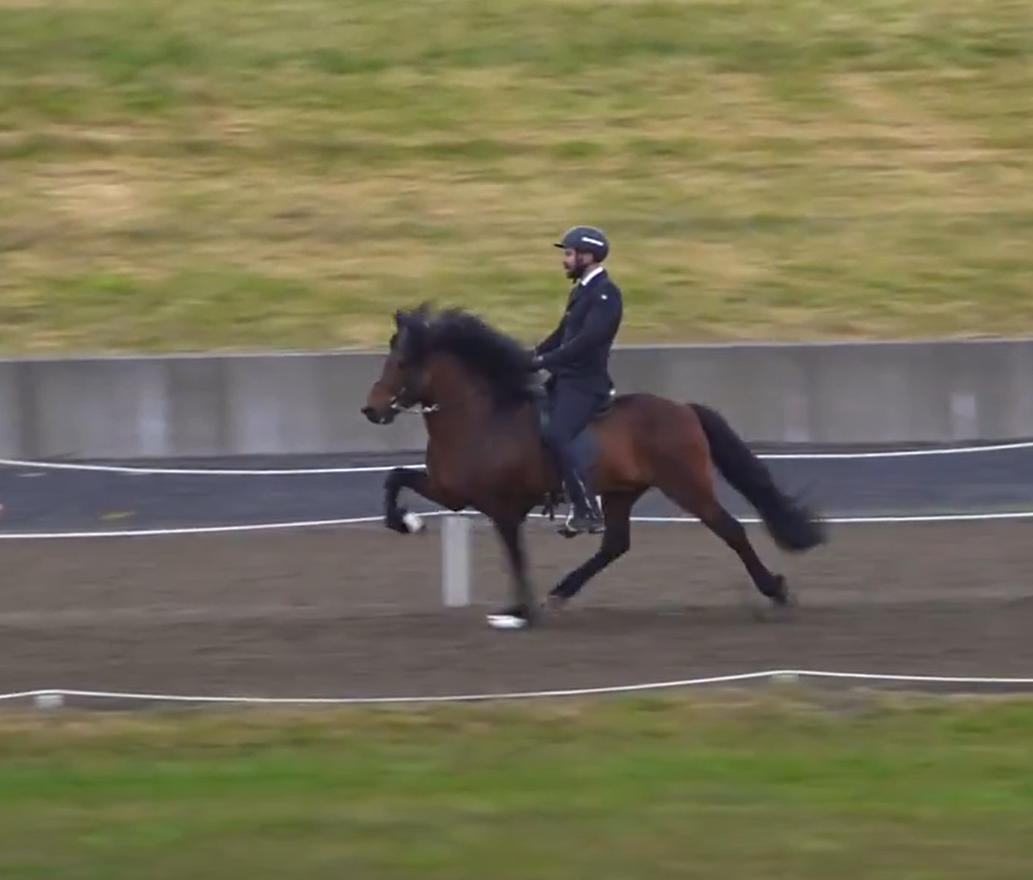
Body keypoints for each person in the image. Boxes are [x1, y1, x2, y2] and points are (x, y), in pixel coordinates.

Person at [529, 225, 623, 535]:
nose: (565, 260)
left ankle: (587, 509)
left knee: (557, 434)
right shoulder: (581, 290)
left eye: (569, 254)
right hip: (564, 378)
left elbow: (587, 341)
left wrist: (546, 361)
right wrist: (529, 358)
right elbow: (561, 335)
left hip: (585, 384)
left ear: (588, 256)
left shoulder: (606, 294)